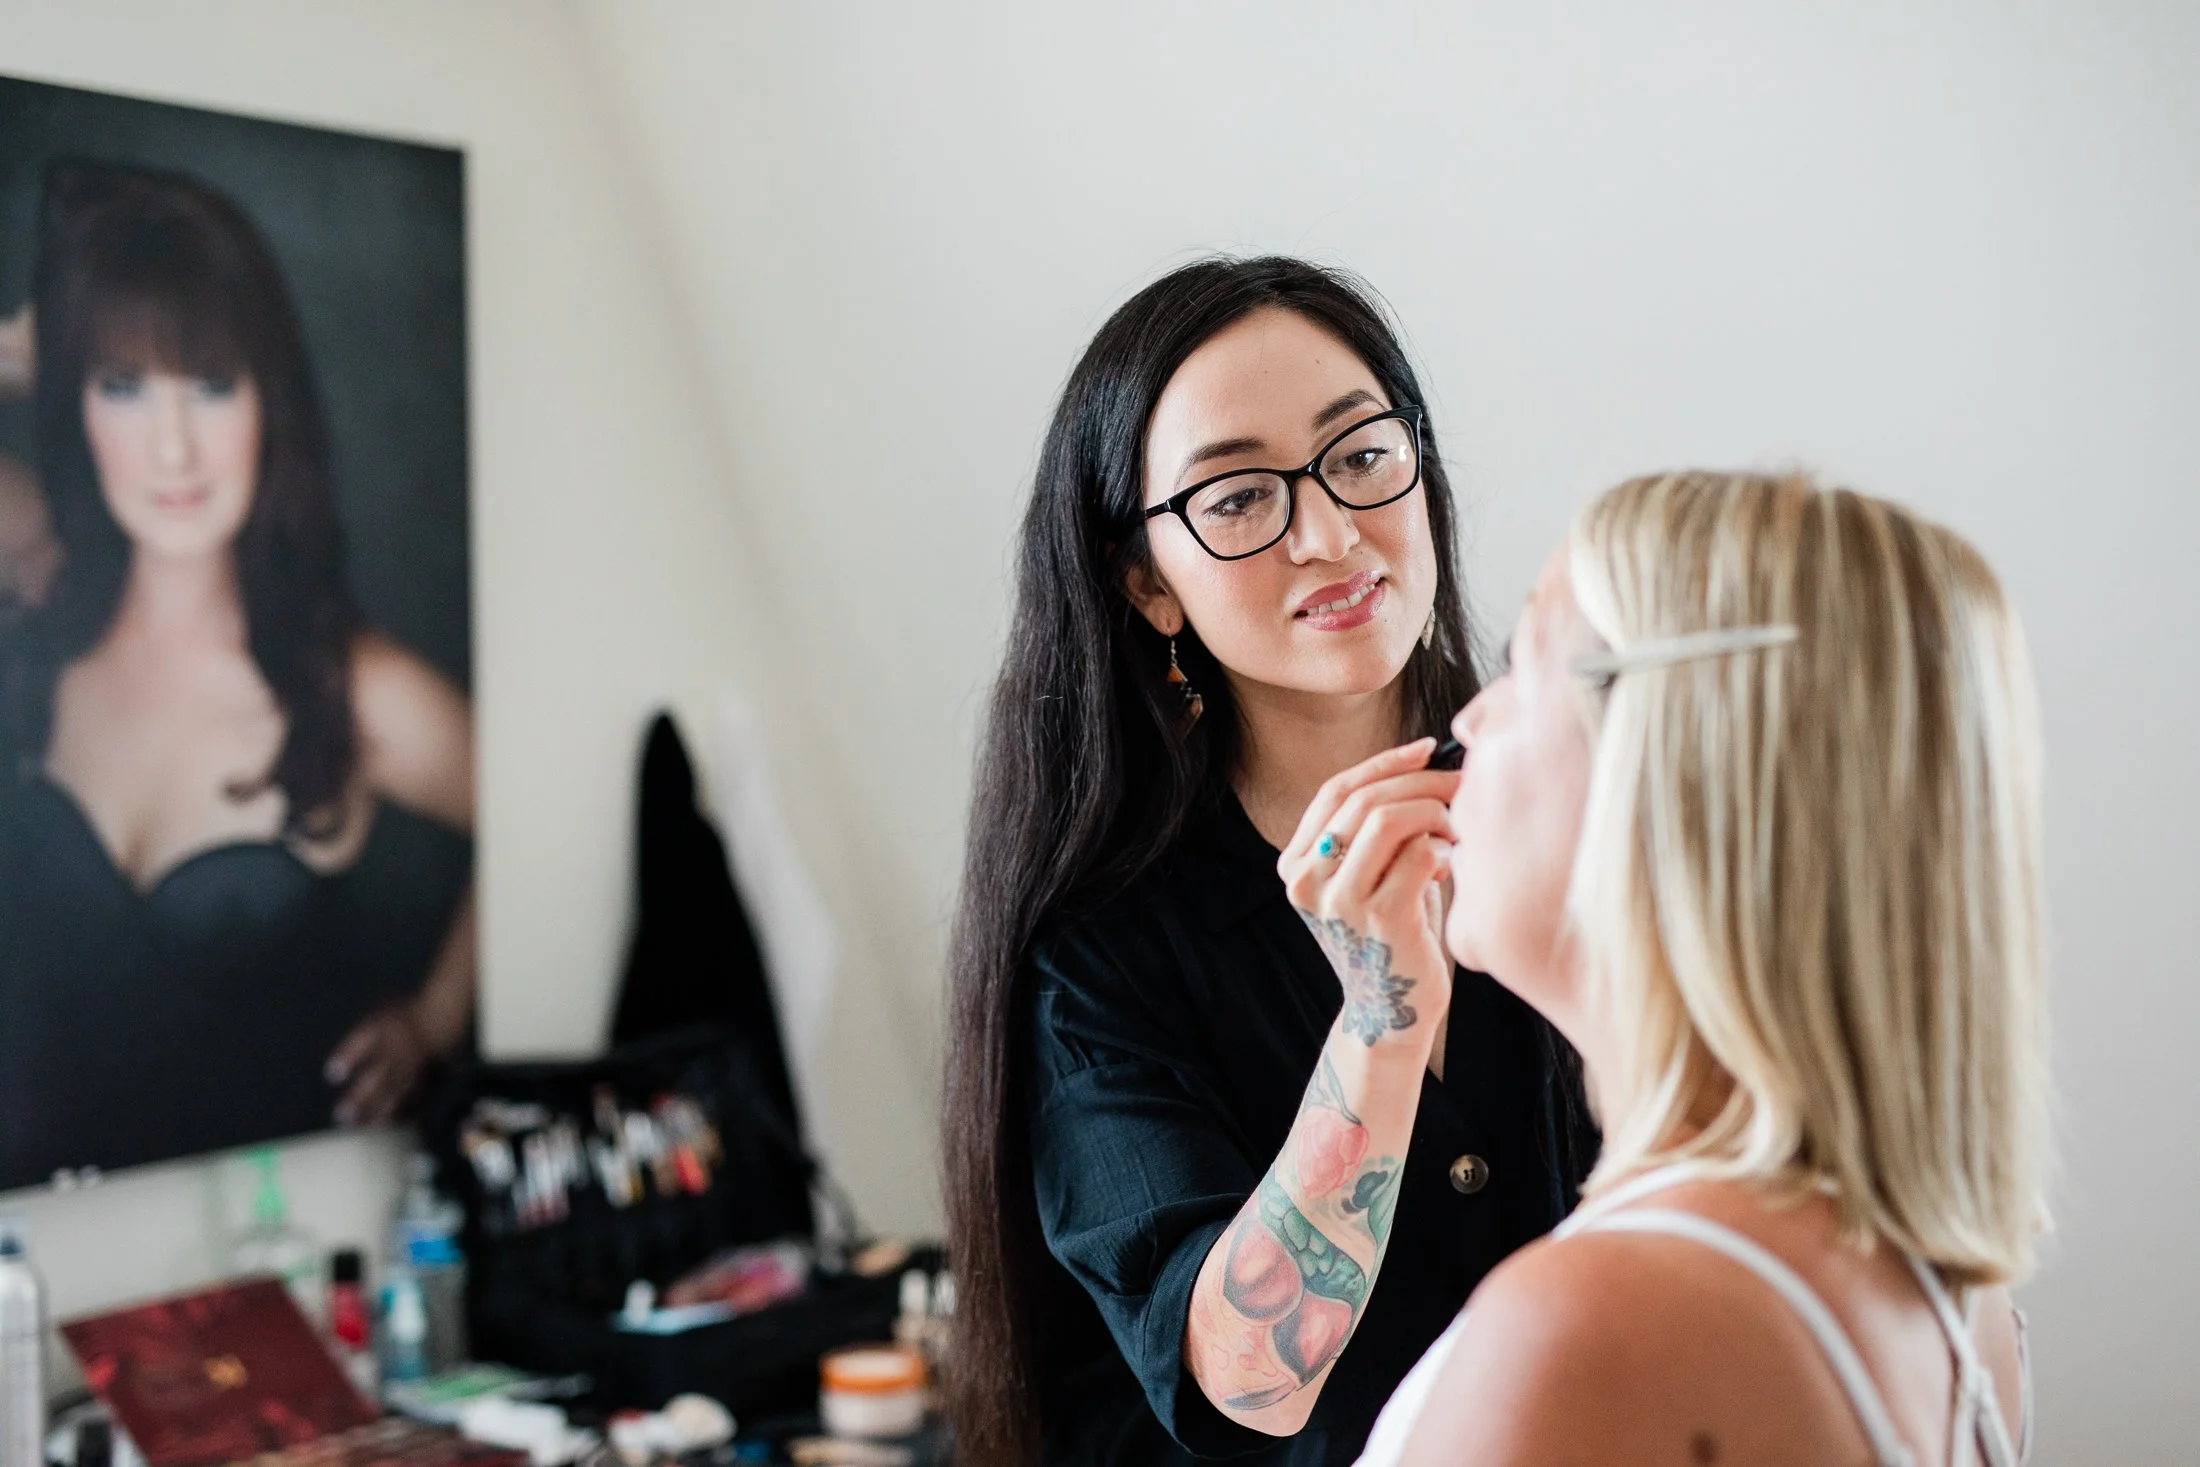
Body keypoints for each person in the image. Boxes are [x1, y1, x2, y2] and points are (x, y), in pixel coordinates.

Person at [942, 256, 1595, 1467]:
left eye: (1359, 455)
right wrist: (1380, 1021)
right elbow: (1249, 1380)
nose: (1331, 532)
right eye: (1238, 498)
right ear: (1147, 584)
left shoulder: (1579, 805)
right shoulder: (1102, 955)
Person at [1344, 470, 2042, 1464]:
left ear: (1661, 766)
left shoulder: (1590, 1328)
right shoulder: (1952, 1295)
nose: (1468, 722)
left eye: (1519, 664)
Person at [0, 160, 474, 1184]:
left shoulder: (351, 687)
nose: (172, 449)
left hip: (288, 1256)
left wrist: (435, 1016)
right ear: (74, 405)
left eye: (211, 384)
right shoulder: (40, 589)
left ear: (271, 399)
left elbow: (536, 804)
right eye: (121, 386)